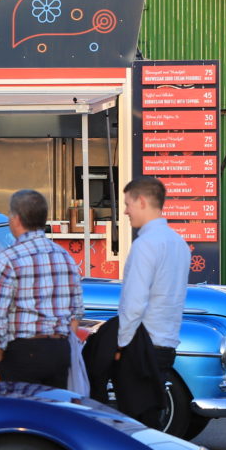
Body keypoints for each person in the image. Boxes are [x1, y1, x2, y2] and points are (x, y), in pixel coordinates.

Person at [84, 177, 191, 426]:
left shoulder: (145, 245)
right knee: (151, 419)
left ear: (142, 201)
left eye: (128, 203)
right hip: (166, 343)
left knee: (134, 423)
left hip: (140, 346)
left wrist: (119, 346)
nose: (125, 211)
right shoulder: (179, 244)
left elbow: (133, 302)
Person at [0, 189, 83, 387]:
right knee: (53, 412)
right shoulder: (64, 256)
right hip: (59, 349)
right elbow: (76, 310)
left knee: (22, 412)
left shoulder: (8, 258)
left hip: (22, 350)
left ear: (16, 219)